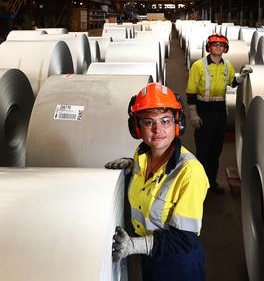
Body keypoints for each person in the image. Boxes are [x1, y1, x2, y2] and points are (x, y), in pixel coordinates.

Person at [105, 82, 209, 281]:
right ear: (136, 127)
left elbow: (185, 239)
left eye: (165, 120)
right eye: (148, 122)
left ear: (178, 123)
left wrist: (135, 246)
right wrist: (130, 165)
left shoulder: (190, 171)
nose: (157, 129)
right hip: (151, 257)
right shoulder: (141, 155)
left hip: (179, 264)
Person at [186, 33, 253, 194]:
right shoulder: (198, 66)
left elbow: (232, 82)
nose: (218, 47)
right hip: (203, 110)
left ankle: (211, 183)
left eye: (221, 45)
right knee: (203, 150)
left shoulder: (227, 65)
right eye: (214, 45)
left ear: (225, 48)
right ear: (208, 47)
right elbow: (191, 91)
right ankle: (200, 185)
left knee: (216, 150)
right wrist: (193, 113)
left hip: (220, 111)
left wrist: (241, 75)